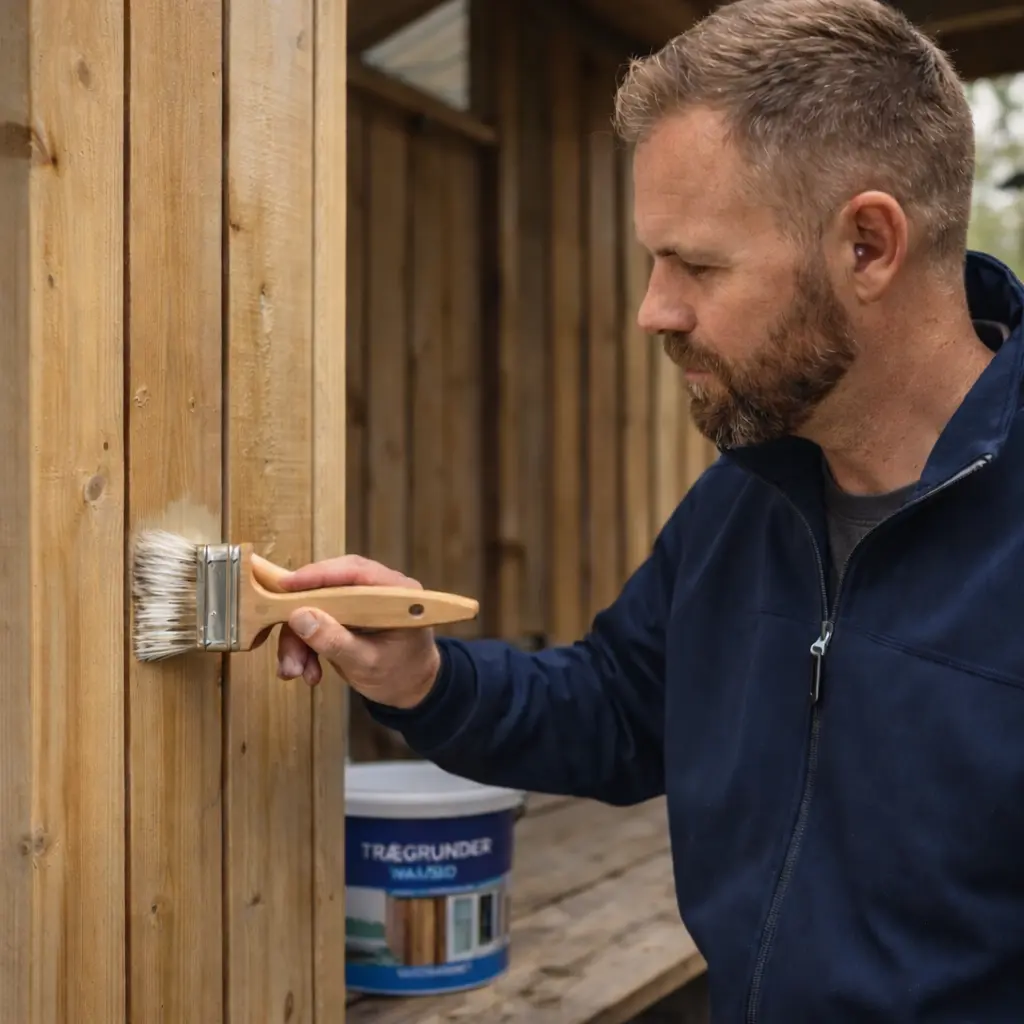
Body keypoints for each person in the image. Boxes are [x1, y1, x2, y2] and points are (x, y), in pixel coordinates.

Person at [275, 0, 1024, 1018]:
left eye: (698, 265)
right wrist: (426, 676)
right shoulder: (748, 494)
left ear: (867, 245)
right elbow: (622, 708)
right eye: (651, 260)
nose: (652, 310)